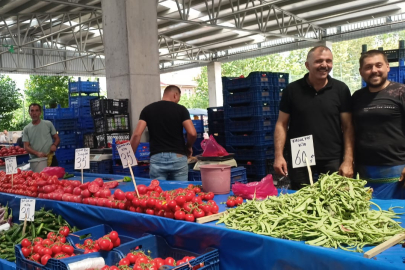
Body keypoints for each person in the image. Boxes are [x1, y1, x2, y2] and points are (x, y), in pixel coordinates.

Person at [273, 46, 354, 190]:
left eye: (328, 61)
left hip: (332, 156)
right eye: (319, 61)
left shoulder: (341, 89)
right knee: (301, 198)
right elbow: (281, 123)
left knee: (333, 200)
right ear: (307, 65)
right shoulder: (292, 90)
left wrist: (348, 160)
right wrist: (279, 155)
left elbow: (348, 127)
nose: (324, 65)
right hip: (300, 155)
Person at [352, 50, 405, 199]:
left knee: (397, 216)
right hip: (364, 170)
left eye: (378, 65)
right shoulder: (357, 97)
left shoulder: (401, 92)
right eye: (368, 67)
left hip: (397, 170)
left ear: (387, 67)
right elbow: (351, 130)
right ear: (361, 71)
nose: (374, 70)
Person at [130, 85, 197, 180]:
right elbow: (192, 133)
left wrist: (130, 156)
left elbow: (136, 134)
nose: (178, 101)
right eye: (179, 98)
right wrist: (188, 146)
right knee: (181, 191)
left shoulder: (147, 109)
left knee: (158, 192)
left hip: (157, 157)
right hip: (178, 156)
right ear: (175, 95)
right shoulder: (181, 109)